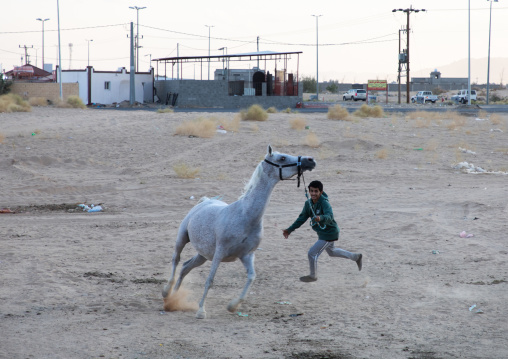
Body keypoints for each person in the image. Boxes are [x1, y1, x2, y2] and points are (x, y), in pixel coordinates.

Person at [282, 180, 362, 282]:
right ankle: (356, 257)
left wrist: (321, 218)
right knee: (332, 252)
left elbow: (330, 216)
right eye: (312, 191)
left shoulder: (325, 203)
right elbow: (301, 219)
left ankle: (313, 276)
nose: (313, 193)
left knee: (312, 253)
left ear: (321, 192)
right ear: (309, 191)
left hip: (329, 233)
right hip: (322, 233)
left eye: (316, 191)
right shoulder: (308, 204)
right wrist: (289, 230)